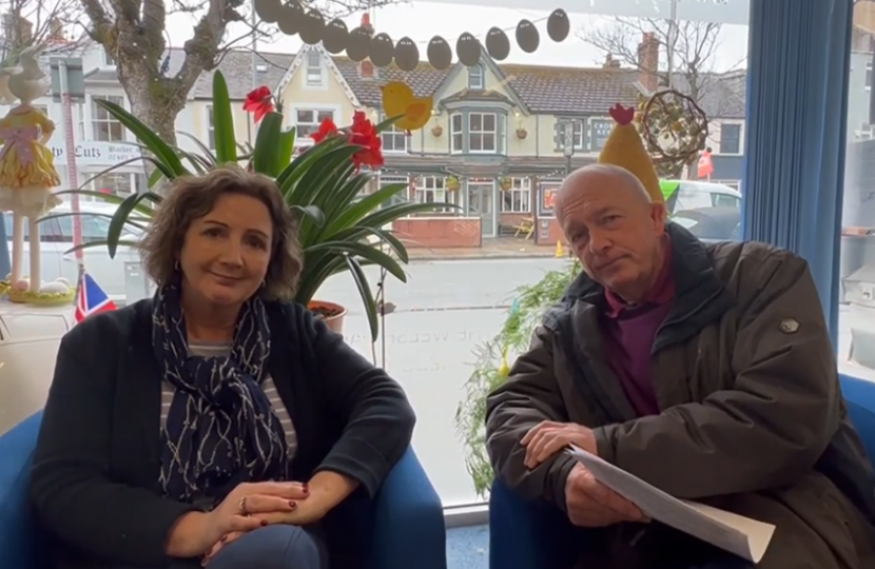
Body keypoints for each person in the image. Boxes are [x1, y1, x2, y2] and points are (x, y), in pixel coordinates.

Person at [485, 163, 875, 569]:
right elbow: (511, 405)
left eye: (610, 220)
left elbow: (785, 418)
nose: (597, 244)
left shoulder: (762, 277)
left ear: (656, 217)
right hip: (638, 524)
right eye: (579, 235)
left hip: (776, 510)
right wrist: (562, 473)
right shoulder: (569, 324)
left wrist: (609, 448)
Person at [30, 165, 416, 569]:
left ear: (271, 260)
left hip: (275, 545)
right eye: (214, 233)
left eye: (255, 242)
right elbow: (63, 484)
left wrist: (314, 496)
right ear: (178, 243)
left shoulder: (293, 332)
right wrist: (201, 527)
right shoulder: (101, 344)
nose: (233, 258)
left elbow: (385, 403)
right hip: (147, 555)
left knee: (276, 553)